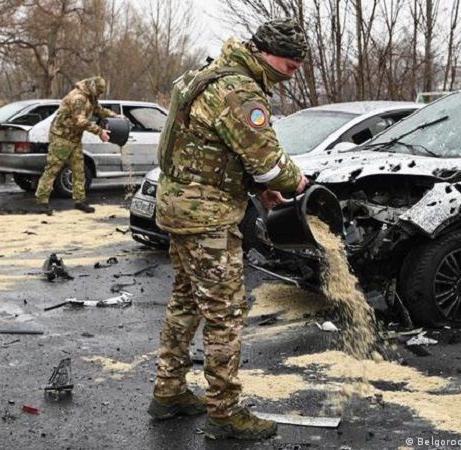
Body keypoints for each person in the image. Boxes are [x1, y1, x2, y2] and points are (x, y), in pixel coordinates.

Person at [147, 18, 309, 440]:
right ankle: (224, 413)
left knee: (185, 301)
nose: (292, 73)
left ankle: (169, 392)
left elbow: (211, 148)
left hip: (179, 207)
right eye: (289, 65)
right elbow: (268, 160)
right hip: (207, 218)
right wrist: (292, 182)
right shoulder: (239, 90)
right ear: (264, 50)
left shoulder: (208, 74)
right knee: (226, 313)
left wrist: (260, 189)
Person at [35, 76, 115, 215]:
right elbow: (80, 121)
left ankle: (80, 201)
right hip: (61, 137)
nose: (99, 95)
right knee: (53, 169)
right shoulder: (78, 98)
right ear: (93, 87)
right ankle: (42, 201)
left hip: (74, 138)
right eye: (99, 92)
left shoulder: (90, 96)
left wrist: (115, 115)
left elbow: (98, 109)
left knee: (79, 169)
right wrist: (100, 132)